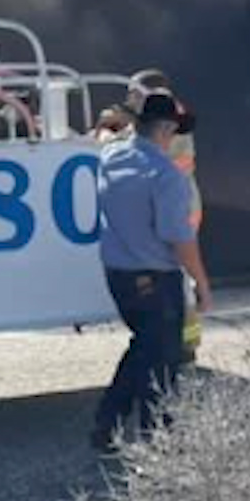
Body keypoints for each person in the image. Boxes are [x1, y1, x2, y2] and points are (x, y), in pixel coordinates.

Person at [91, 92, 212, 451]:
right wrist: (202, 284)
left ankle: (107, 426)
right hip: (156, 279)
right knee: (161, 362)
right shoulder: (165, 176)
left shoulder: (110, 157)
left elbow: (107, 135)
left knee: (143, 348)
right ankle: (156, 439)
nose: (175, 138)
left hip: (118, 275)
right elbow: (179, 238)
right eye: (174, 131)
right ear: (165, 129)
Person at [126, 70, 205, 362]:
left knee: (180, 282)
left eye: (133, 94)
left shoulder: (171, 124)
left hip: (179, 211)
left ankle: (187, 347)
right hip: (175, 208)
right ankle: (179, 343)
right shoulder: (164, 118)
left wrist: (110, 130)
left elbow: (137, 149)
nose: (129, 100)